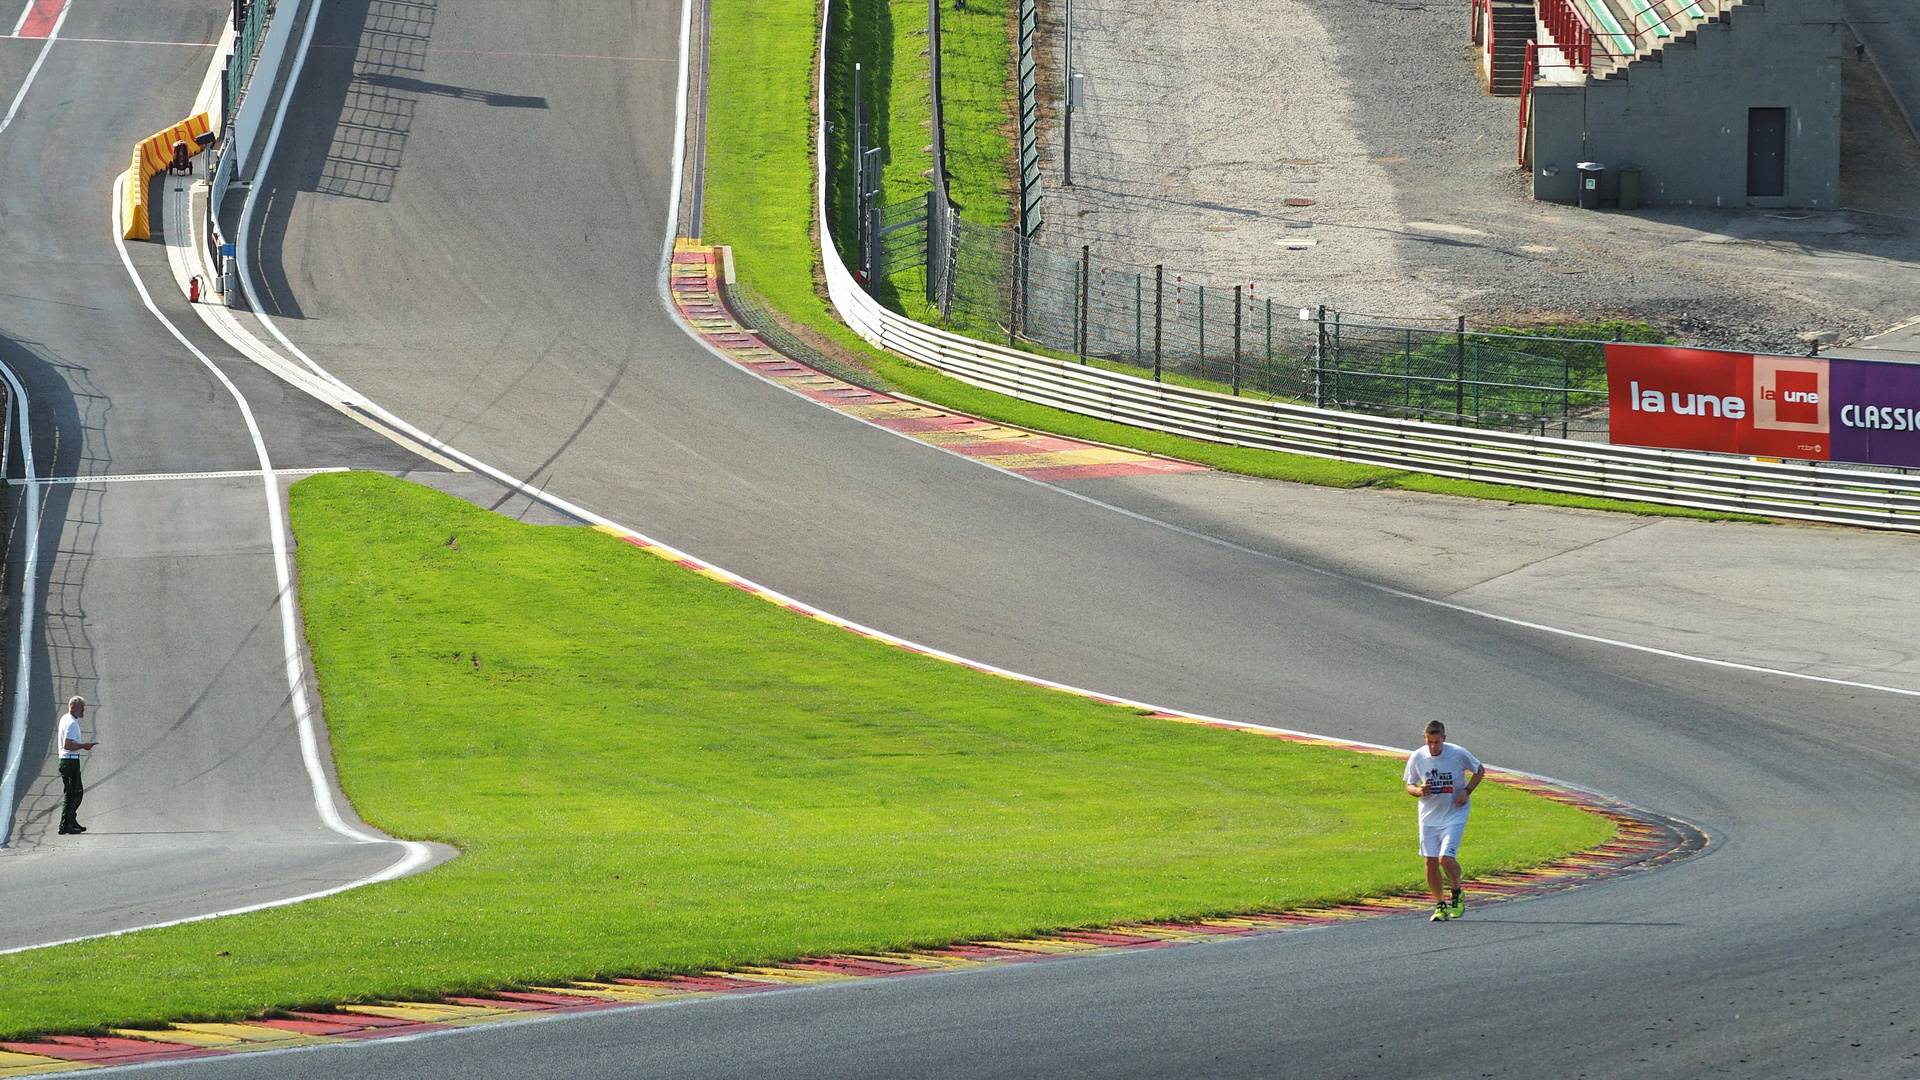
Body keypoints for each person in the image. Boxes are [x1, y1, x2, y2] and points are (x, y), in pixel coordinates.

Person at [1403, 720, 1482, 921]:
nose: (1433, 747)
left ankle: (1457, 893)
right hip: (1429, 816)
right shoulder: (1418, 757)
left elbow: (1479, 770)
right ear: (1424, 739)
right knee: (1430, 862)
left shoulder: (1457, 753)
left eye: (1437, 742)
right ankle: (1440, 904)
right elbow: (1409, 785)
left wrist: (1466, 791)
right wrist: (1419, 791)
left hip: (1455, 812)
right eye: (1430, 742)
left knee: (1445, 858)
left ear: (1444, 739)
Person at [57, 696, 97, 835]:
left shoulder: (66, 719)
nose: (83, 710)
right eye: (81, 707)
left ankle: (71, 820)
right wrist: (83, 746)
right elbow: (67, 745)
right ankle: (65, 824)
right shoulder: (71, 723)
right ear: (73, 707)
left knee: (77, 792)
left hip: (71, 760)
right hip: (69, 760)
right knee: (72, 793)